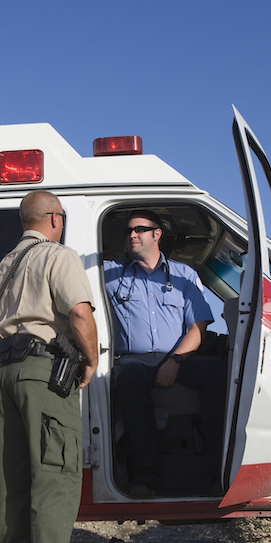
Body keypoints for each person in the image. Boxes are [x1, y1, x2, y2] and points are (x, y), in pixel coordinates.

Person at [0, 190, 108, 543]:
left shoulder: (1, 269)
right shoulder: (59, 256)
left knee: (11, 484)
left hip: (1, 376)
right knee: (54, 479)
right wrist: (92, 359)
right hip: (42, 375)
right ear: (54, 218)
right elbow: (78, 313)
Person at [104, 210, 227, 498]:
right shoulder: (111, 275)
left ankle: (218, 471)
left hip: (178, 359)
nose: (131, 235)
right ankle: (146, 474)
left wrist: (175, 361)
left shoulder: (185, 276)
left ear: (156, 234)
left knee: (218, 372)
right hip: (134, 362)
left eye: (139, 229)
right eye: (128, 231)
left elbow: (198, 329)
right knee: (129, 379)